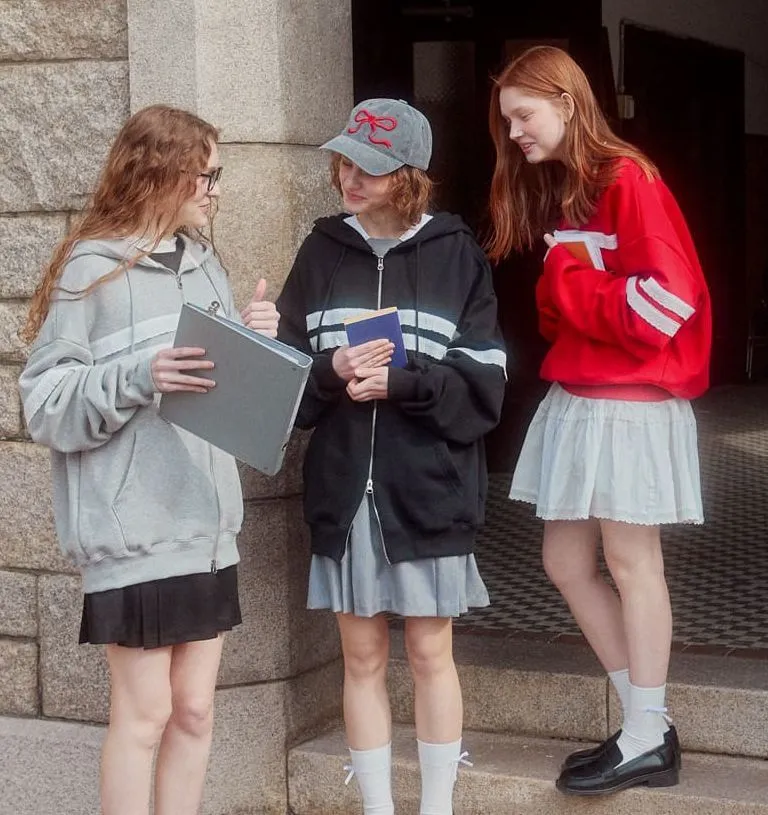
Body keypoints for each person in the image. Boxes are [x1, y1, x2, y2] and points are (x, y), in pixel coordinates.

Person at [18, 105, 279, 815]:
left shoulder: (205, 264)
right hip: (133, 534)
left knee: (195, 711)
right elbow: (44, 404)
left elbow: (217, 386)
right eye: (207, 174)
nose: (216, 189)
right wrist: (141, 374)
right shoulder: (89, 270)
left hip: (206, 528)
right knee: (145, 715)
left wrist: (256, 342)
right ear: (160, 172)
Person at [487, 46, 711, 795]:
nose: (515, 131)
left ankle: (647, 731)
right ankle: (647, 725)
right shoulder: (573, 188)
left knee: (630, 560)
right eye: (508, 118)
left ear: (569, 102)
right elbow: (563, 316)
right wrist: (572, 288)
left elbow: (668, 301)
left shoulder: (627, 179)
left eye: (525, 114)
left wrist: (572, 280)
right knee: (565, 560)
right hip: (589, 394)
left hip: (629, 400)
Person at [276, 98, 506, 815]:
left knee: (431, 654)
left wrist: (403, 383)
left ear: (409, 175)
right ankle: (379, 807)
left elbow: (486, 390)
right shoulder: (319, 252)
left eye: (370, 167)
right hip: (344, 495)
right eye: (345, 161)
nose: (351, 177)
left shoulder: (457, 255)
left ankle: (435, 806)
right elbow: (286, 390)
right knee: (362, 657)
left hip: (429, 492)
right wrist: (329, 370)